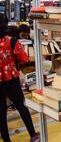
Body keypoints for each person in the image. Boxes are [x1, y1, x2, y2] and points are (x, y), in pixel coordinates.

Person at [0, 14, 40, 142]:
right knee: (22, 107)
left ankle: (6, 139)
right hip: (12, 80)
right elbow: (24, 59)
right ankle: (33, 135)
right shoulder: (12, 41)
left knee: (1, 113)